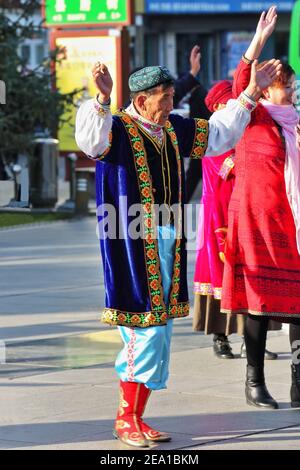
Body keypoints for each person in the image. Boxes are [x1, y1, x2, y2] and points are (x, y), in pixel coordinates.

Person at [75, 57, 281, 447]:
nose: (171, 104)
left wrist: (252, 91)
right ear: (141, 98)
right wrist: (101, 98)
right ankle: (126, 419)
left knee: (160, 331)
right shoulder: (116, 128)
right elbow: (90, 140)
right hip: (130, 240)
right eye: (165, 98)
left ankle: (136, 416)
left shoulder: (173, 128)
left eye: (171, 97)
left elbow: (220, 133)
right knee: (145, 329)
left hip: (165, 237)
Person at [221, 6, 300, 409]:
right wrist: (258, 43)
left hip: (293, 225)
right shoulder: (253, 118)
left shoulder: (295, 124)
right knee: (260, 303)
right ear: (267, 89)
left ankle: (299, 384)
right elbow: (239, 87)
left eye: (293, 83)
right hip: (256, 222)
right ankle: (255, 384)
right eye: (286, 84)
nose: (293, 89)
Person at [193, 80, 280, 359]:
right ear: (220, 106)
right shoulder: (213, 136)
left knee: (250, 276)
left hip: (245, 213)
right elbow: (235, 167)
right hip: (218, 216)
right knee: (220, 276)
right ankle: (220, 338)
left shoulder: (242, 134)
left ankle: (251, 340)